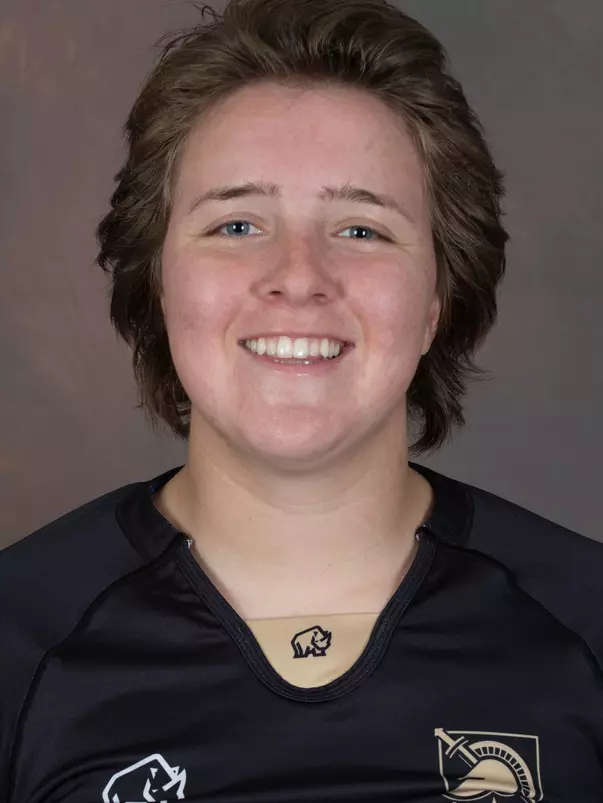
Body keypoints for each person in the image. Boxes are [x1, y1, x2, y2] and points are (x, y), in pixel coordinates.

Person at [1, 0, 602, 800]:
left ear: (436, 299)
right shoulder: (20, 638)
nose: (298, 276)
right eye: (237, 224)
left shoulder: (583, 625)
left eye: (361, 229)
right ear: (157, 280)